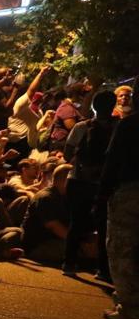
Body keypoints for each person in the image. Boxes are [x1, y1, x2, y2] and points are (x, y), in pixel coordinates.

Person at [63, 89, 117, 277]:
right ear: (113, 107)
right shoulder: (117, 127)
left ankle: (69, 263)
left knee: (76, 222)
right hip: (104, 182)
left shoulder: (81, 127)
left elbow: (67, 153)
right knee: (104, 226)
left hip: (78, 179)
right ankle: (103, 269)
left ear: (93, 106)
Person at [100, 113, 139, 319]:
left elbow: (111, 161)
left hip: (130, 191)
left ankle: (131, 306)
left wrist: (102, 195)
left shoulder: (130, 125)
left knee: (122, 252)